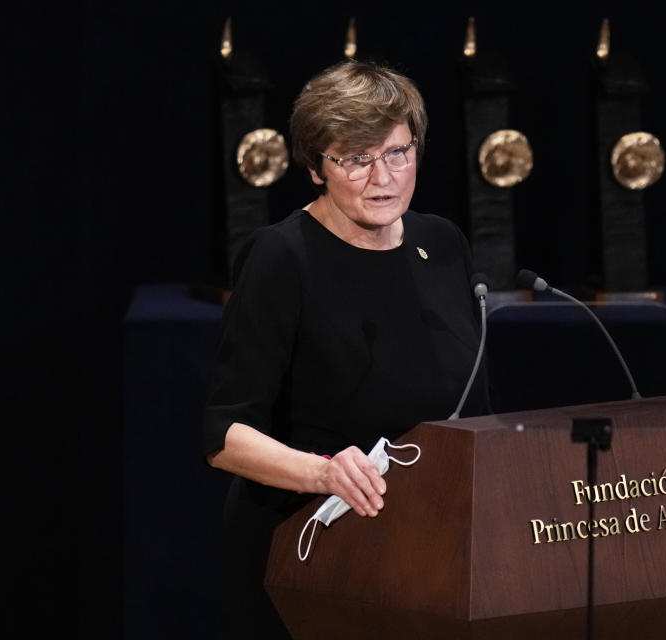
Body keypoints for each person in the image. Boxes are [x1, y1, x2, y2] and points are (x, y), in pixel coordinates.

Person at [202, 60, 486, 639]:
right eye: (356, 159)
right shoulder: (282, 259)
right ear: (315, 167)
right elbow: (223, 436)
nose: (383, 176)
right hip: (311, 552)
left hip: (428, 554)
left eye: (397, 153)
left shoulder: (443, 243)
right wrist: (324, 473)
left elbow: (477, 410)